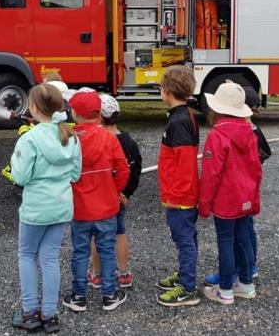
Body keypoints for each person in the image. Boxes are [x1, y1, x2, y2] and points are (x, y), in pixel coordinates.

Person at [10, 83, 81, 333]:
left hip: (35, 209)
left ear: (32, 107)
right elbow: (75, 173)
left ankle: (30, 313)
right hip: (61, 207)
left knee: (27, 255)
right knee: (50, 257)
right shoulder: (71, 137)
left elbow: (19, 177)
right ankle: (49, 315)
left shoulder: (28, 139)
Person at [62, 89, 130, 312]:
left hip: (80, 208)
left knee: (80, 252)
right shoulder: (109, 139)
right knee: (107, 250)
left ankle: (78, 296)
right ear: (99, 114)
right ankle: (109, 295)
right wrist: (115, 190)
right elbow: (122, 168)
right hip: (106, 207)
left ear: (74, 113)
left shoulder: (69, 140)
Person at [199, 81, 262, 305]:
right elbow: (256, 170)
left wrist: (204, 203)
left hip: (225, 200)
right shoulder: (249, 132)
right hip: (245, 198)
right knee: (243, 240)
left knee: (225, 241)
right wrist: (254, 200)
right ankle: (246, 284)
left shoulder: (217, 135)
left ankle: (225, 289)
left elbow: (211, 174)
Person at [155, 66, 201, 307]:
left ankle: (188, 288)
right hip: (184, 193)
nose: (160, 91)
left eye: (162, 87)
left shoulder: (179, 121)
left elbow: (184, 164)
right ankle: (185, 275)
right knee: (187, 238)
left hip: (181, 196)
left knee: (184, 240)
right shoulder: (185, 116)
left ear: (169, 91)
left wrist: (174, 195)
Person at [88, 94, 142, 289]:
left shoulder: (96, 140)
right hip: (119, 198)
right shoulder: (130, 142)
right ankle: (124, 272)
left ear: (99, 117)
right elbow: (135, 170)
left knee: (96, 234)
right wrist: (126, 193)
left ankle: (97, 274)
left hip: (98, 198)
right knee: (120, 231)